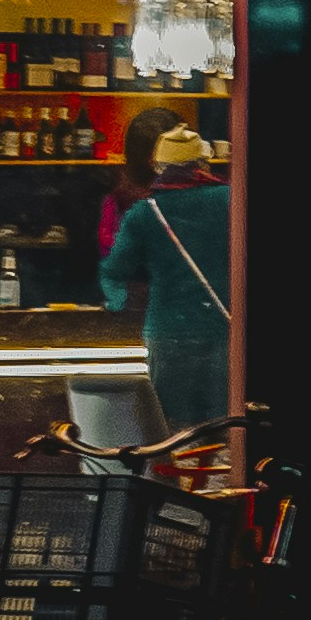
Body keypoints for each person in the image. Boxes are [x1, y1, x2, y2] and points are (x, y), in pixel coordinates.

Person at [97, 129, 235, 449]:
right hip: (223, 327)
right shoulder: (230, 200)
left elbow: (115, 270)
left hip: (169, 329)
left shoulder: (144, 213)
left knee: (172, 427)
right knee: (225, 422)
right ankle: (219, 489)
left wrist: (116, 301)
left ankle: (180, 489)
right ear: (202, 162)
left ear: (158, 166)